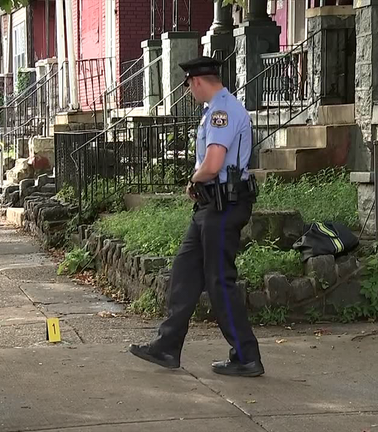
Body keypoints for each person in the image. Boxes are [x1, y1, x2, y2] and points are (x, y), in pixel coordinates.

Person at [128, 56, 264, 377]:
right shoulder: (216, 109)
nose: (190, 92)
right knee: (184, 272)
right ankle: (166, 347)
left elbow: (214, 163)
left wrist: (193, 180)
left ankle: (246, 356)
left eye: (189, 85)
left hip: (224, 205)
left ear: (197, 81)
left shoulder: (222, 111)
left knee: (220, 282)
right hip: (209, 206)